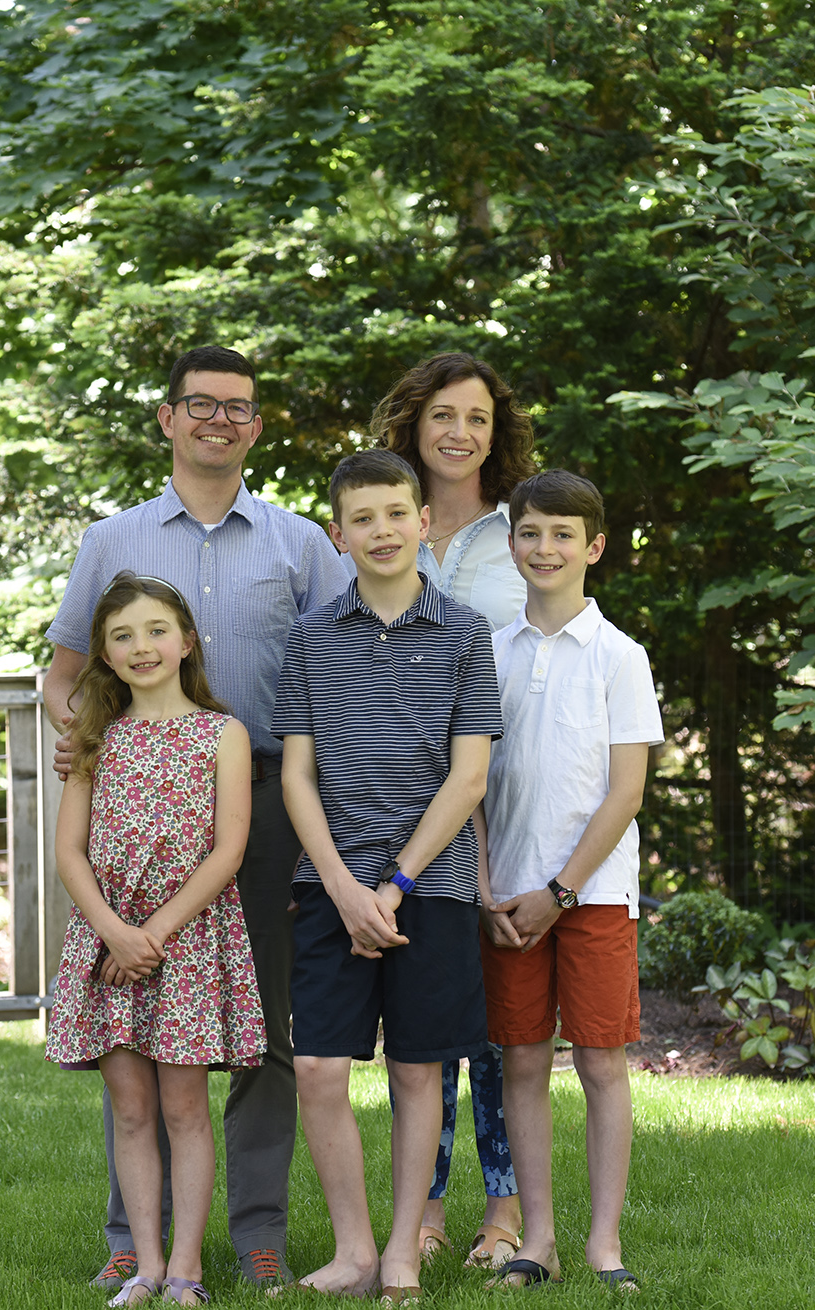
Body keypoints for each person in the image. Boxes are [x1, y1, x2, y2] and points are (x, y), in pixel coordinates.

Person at [44, 346, 348, 1291]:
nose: (219, 420)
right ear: (168, 418)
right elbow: (60, 680)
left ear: (255, 427)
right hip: (131, 814)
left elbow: (341, 674)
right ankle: (136, 1237)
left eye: (239, 409)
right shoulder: (112, 540)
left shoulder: (300, 544)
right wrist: (88, 741)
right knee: (130, 1017)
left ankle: (257, 1227)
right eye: (200, 405)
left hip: (259, 804)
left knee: (261, 1022)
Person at [271, 450, 501, 1301]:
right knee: (319, 1069)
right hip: (329, 883)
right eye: (360, 519)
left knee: (417, 1070)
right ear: (338, 535)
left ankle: (404, 1250)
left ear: (423, 523)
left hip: (429, 890)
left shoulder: (466, 633)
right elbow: (296, 773)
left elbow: (467, 777)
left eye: (394, 514)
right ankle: (355, 1251)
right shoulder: (308, 638)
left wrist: (394, 886)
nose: (380, 531)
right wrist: (339, 884)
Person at [45, 572, 265, 1307]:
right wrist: (114, 932)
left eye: (155, 630)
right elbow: (69, 853)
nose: (141, 647)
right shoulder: (94, 739)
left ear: (187, 642)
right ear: (103, 656)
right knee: (131, 1111)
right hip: (106, 943)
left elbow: (227, 849)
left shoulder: (222, 733)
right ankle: (142, 1265)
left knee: (183, 1108)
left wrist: (153, 935)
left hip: (189, 943)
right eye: (121, 636)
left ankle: (186, 1270)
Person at [372, 353, 535, 1271]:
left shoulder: (524, 530)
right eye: (442, 415)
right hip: (403, 808)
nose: (458, 433)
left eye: (475, 417)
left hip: (504, 797)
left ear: (493, 429)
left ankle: (504, 1210)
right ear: (415, 423)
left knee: (499, 1020)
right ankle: (424, 1209)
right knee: (426, 1025)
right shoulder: (383, 523)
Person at [481, 470, 663, 1294]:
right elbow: (471, 783)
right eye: (529, 533)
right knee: (520, 1062)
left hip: (589, 899)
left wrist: (558, 892)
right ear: (510, 542)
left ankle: (603, 1245)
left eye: (561, 535)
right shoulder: (487, 652)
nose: (543, 548)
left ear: (592, 547)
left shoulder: (620, 657)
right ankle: (538, 1241)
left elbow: (625, 792)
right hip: (507, 900)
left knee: (598, 1064)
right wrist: (487, 885)